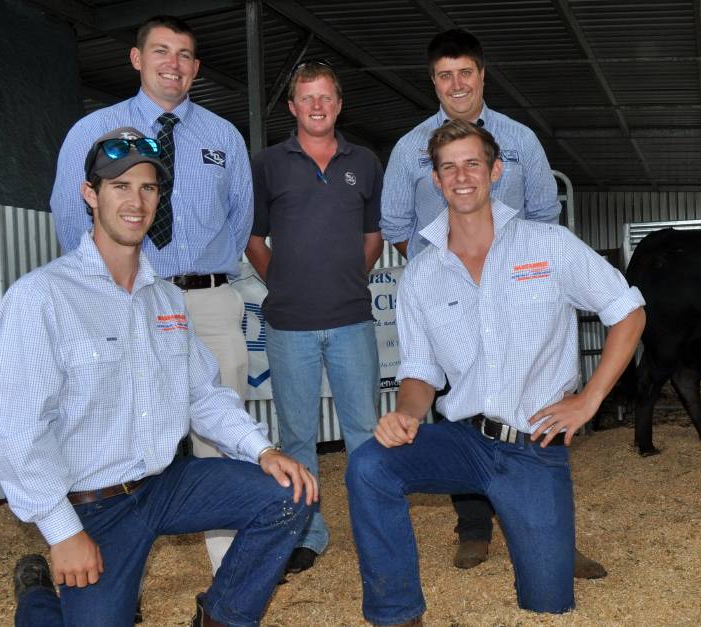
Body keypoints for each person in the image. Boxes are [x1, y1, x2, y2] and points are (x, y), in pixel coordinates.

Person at [0, 127, 317, 626]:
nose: (136, 200)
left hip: (163, 484)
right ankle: (36, 592)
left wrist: (263, 451)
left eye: (148, 187)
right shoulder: (41, 297)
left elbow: (203, 395)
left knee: (289, 495)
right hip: (93, 507)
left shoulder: (164, 299)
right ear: (90, 194)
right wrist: (61, 531)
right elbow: (15, 429)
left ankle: (219, 618)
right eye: (119, 186)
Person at [345, 120, 645, 625]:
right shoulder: (421, 271)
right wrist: (405, 415)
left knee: (549, 604)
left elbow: (628, 310)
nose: (461, 176)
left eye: (472, 164)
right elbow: (420, 370)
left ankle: (544, 559)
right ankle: (397, 614)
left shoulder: (548, 245)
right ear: (435, 181)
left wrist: (590, 400)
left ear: (495, 171)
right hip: (465, 439)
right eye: (448, 167)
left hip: (534, 447)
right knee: (370, 464)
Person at [380, 28, 608, 578]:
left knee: (539, 407)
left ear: (483, 75)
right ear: (432, 81)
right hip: (451, 301)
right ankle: (474, 529)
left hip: (521, 297)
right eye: (444, 75)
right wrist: (445, 268)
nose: (456, 84)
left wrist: (515, 274)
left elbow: (542, 213)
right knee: (463, 407)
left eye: (465, 73)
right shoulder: (409, 147)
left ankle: (550, 534)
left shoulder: (520, 140)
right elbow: (393, 221)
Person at [49, 15, 253, 572]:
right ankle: (114, 570)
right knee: (120, 436)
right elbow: (70, 215)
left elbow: (239, 222)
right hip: (124, 300)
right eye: (161, 51)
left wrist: (194, 275)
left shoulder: (223, 136)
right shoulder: (94, 129)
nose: (173, 64)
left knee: (223, 432)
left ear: (196, 68)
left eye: (185, 55)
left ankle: (230, 577)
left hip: (207, 302)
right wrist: (111, 283)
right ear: (137, 59)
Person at [246, 61, 384, 575]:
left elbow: (373, 237)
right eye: (308, 98)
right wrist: (281, 282)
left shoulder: (365, 161)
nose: (318, 106)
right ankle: (307, 532)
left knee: (364, 432)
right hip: (289, 325)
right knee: (297, 435)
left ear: (339, 104)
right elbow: (253, 237)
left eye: (326, 97)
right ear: (292, 107)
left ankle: (373, 528)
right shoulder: (267, 163)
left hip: (352, 320)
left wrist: (350, 275)